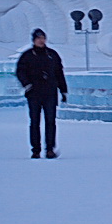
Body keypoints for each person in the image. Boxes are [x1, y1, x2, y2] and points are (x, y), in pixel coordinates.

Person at [16, 28, 68, 159]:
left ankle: (50, 149)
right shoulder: (27, 56)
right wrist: (27, 84)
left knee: (50, 121)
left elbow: (59, 73)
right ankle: (36, 150)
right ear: (34, 40)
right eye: (38, 38)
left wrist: (63, 90)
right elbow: (20, 72)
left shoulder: (52, 55)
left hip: (50, 92)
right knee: (35, 122)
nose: (41, 40)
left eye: (43, 38)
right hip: (34, 93)